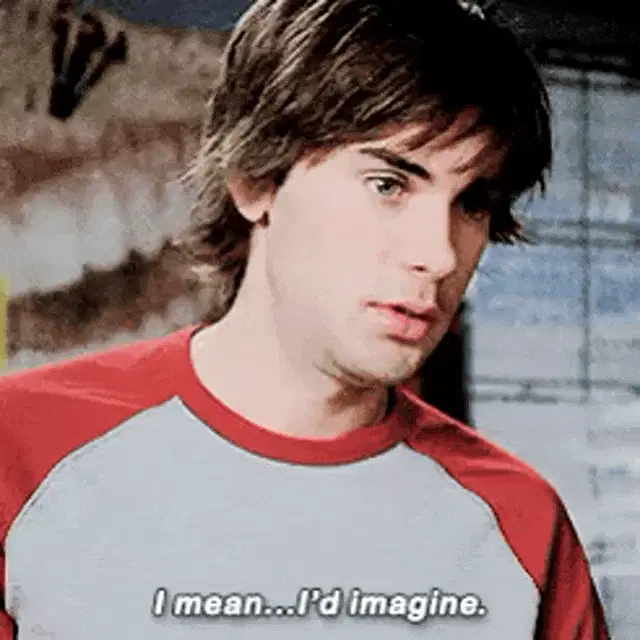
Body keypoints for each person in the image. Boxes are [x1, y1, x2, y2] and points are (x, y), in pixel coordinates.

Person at [0, 0, 609, 638]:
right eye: (388, 184)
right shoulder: (20, 453)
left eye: (472, 203)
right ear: (256, 179)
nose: (439, 255)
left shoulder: (521, 523)